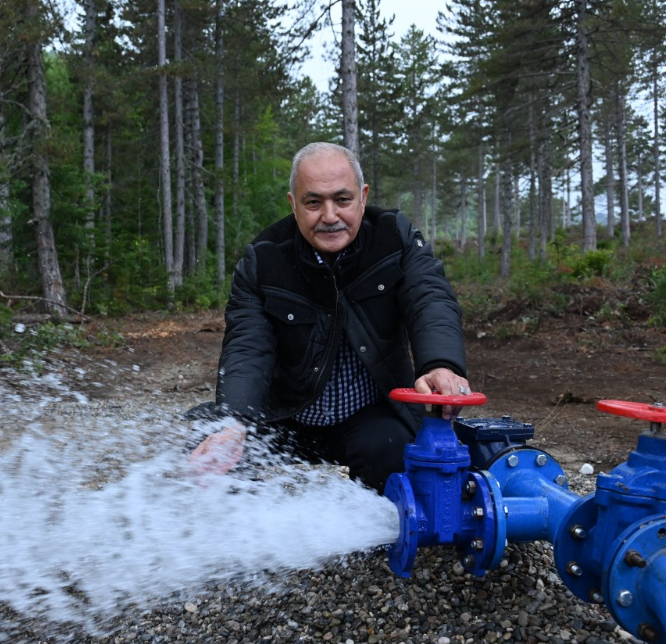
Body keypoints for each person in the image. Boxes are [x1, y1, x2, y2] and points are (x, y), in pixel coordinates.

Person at [188, 142, 468, 492]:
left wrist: (440, 364)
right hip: (287, 414)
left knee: (395, 454)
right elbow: (248, 344)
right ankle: (251, 520)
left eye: (342, 199)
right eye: (313, 202)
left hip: (371, 416)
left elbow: (430, 298)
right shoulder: (263, 260)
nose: (330, 216)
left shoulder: (394, 237)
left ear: (363, 197)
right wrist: (234, 422)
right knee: (209, 445)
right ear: (293, 204)